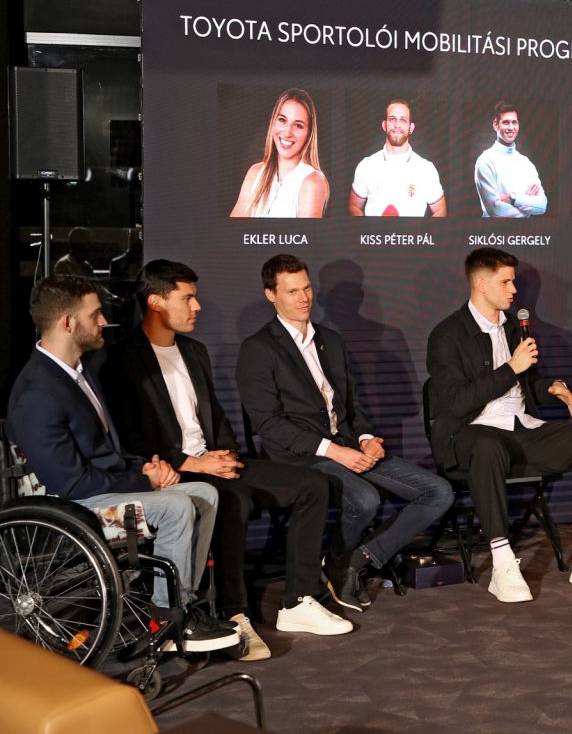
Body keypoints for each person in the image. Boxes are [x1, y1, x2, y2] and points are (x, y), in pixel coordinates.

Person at [101, 260, 350, 660]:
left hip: (213, 461)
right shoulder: (121, 360)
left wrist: (227, 453)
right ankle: (236, 614)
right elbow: (132, 439)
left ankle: (298, 602)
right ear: (156, 302)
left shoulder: (194, 351)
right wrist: (194, 464)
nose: (197, 306)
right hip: (174, 473)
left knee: (313, 485)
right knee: (235, 500)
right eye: (187, 298)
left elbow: (216, 417)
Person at [6, 276, 239, 652]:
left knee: (204, 494)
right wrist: (145, 481)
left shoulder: (79, 372)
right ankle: (166, 620)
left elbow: (106, 450)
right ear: (68, 322)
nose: (104, 322)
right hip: (69, 506)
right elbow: (70, 482)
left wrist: (148, 467)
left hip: (101, 485)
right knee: (177, 506)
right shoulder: (39, 392)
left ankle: (182, 605)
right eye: (95, 315)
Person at [236, 254, 453, 611]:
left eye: (307, 288)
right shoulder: (258, 349)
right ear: (270, 295)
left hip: (349, 446)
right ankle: (341, 563)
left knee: (438, 492)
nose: (304, 298)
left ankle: (352, 561)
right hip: (301, 458)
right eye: (292, 291)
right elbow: (270, 425)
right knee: (365, 499)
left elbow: (351, 404)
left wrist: (367, 438)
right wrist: (334, 451)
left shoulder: (331, 340)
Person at [426, 248, 572, 602]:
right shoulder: (447, 335)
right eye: (506, 282)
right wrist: (510, 369)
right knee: (487, 445)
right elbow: (456, 403)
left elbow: (525, 385)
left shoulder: (513, 327)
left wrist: (549, 388)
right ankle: (502, 563)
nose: (514, 289)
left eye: (513, 281)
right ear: (481, 284)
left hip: (520, 428)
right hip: (470, 432)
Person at [230, 88, 329, 218]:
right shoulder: (255, 173)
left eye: (298, 125)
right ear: (273, 122)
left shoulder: (312, 182)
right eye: (282, 120)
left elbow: (306, 232)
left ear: (309, 134)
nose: (287, 133)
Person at [348, 99, 447, 217]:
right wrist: (367, 228)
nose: (397, 125)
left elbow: (440, 210)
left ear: (411, 128)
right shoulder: (366, 166)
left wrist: (422, 230)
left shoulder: (426, 169)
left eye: (403, 120)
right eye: (392, 119)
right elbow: (354, 206)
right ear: (384, 125)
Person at [475, 101, 547, 218]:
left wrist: (513, 199)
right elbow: (496, 211)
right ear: (495, 124)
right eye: (506, 122)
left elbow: (542, 206)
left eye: (514, 122)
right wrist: (527, 207)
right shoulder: (485, 160)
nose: (511, 127)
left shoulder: (526, 163)